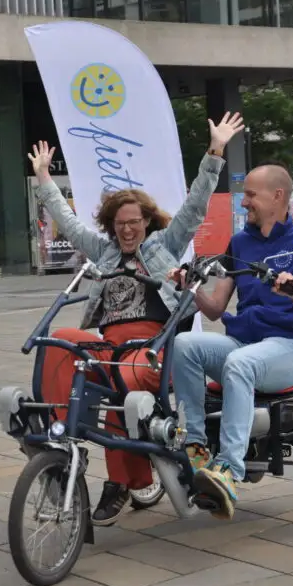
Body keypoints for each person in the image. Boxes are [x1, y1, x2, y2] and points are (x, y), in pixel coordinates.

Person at [28, 110, 244, 527]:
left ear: (146, 221)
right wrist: (43, 177)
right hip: (111, 347)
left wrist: (215, 151)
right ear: (111, 227)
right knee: (61, 341)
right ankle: (60, 439)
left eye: (134, 223)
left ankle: (122, 481)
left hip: (152, 351)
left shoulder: (166, 244)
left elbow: (195, 207)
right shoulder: (104, 251)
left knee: (119, 387)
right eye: (119, 224)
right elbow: (69, 224)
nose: (127, 230)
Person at [168, 164, 293, 520]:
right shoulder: (240, 242)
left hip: (292, 348)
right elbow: (215, 310)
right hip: (245, 344)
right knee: (185, 344)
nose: (243, 202)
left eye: (250, 195)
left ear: (277, 196)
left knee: (239, 364)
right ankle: (197, 445)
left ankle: (229, 470)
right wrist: (191, 287)